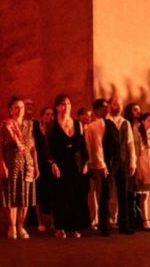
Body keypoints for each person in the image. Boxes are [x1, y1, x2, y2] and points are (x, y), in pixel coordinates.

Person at [47, 94, 90, 238]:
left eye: (68, 104)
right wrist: (52, 163)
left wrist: (85, 162)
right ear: (57, 107)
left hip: (75, 164)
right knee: (60, 195)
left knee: (75, 195)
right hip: (59, 164)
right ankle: (60, 227)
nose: (65, 107)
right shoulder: (52, 124)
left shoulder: (78, 124)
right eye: (62, 104)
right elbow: (48, 147)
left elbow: (83, 146)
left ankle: (74, 227)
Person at [1, 96, 38, 240]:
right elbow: (1, 146)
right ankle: (12, 227)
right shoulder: (6, 125)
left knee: (25, 197)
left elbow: (33, 148)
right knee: (11, 196)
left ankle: (21, 226)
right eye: (16, 107)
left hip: (27, 164)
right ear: (10, 110)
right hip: (11, 165)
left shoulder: (29, 125)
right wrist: (2, 163)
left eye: (22, 107)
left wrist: (36, 165)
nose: (19, 110)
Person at [104, 96, 136, 234]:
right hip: (108, 161)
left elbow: (130, 143)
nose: (119, 106)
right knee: (106, 194)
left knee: (123, 194)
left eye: (120, 104)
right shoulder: (104, 122)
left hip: (123, 161)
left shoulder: (125, 123)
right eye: (116, 104)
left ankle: (124, 225)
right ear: (110, 105)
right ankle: (104, 225)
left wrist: (133, 161)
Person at [84, 98, 108, 233]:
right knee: (94, 194)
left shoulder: (108, 124)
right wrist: (97, 163)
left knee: (105, 194)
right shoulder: (92, 126)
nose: (105, 109)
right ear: (96, 110)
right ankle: (94, 220)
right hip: (95, 164)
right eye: (102, 107)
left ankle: (107, 219)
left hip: (105, 163)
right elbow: (94, 146)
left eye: (106, 107)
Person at [33, 106, 54, 232]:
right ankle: (40, 222)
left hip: (52, 166)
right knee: (39, 194)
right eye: (47, 114)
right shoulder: (36, 129)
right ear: (42, 116)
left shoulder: (55, 130)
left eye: (52, 114)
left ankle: (53, 221)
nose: (49, 116)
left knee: (53, 193)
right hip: (39, 165)